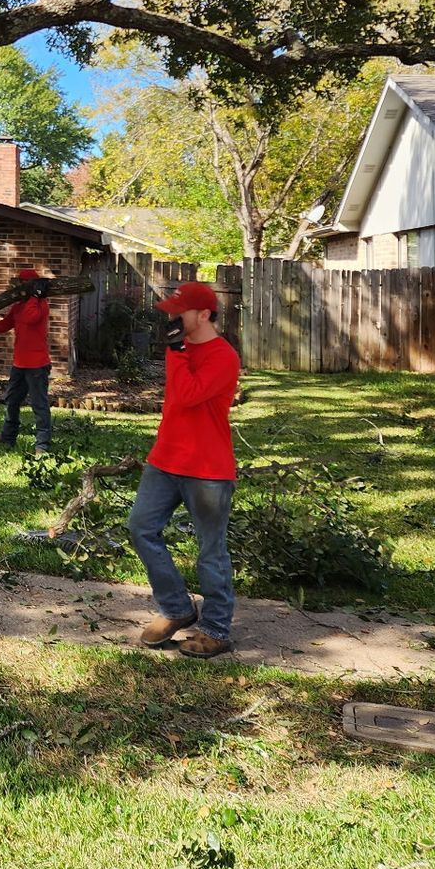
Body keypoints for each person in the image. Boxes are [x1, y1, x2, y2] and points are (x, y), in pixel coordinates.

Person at [128, 281, 241, 659]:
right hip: (164, 460)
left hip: (207, 467)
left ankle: (217, 629)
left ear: (204, 314)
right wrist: (176, 350)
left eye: (180, 312)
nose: (172, 319)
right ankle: (177, 607)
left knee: (211, 550)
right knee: (141, 527)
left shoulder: (224, 356)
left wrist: (175, 351)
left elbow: (190, 395)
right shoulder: (180, 350)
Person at [0, 267, 54, 453]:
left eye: (24, 284)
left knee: (39, 405)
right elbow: (4, 325)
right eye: (19, 284)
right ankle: (7, 437)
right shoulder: (18, 306)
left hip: (37, 364)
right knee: (12, 401)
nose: (20, 288)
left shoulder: (41, 304)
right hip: (19, 364)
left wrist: (36, 297)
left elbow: (32, 318)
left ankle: (42, 445)